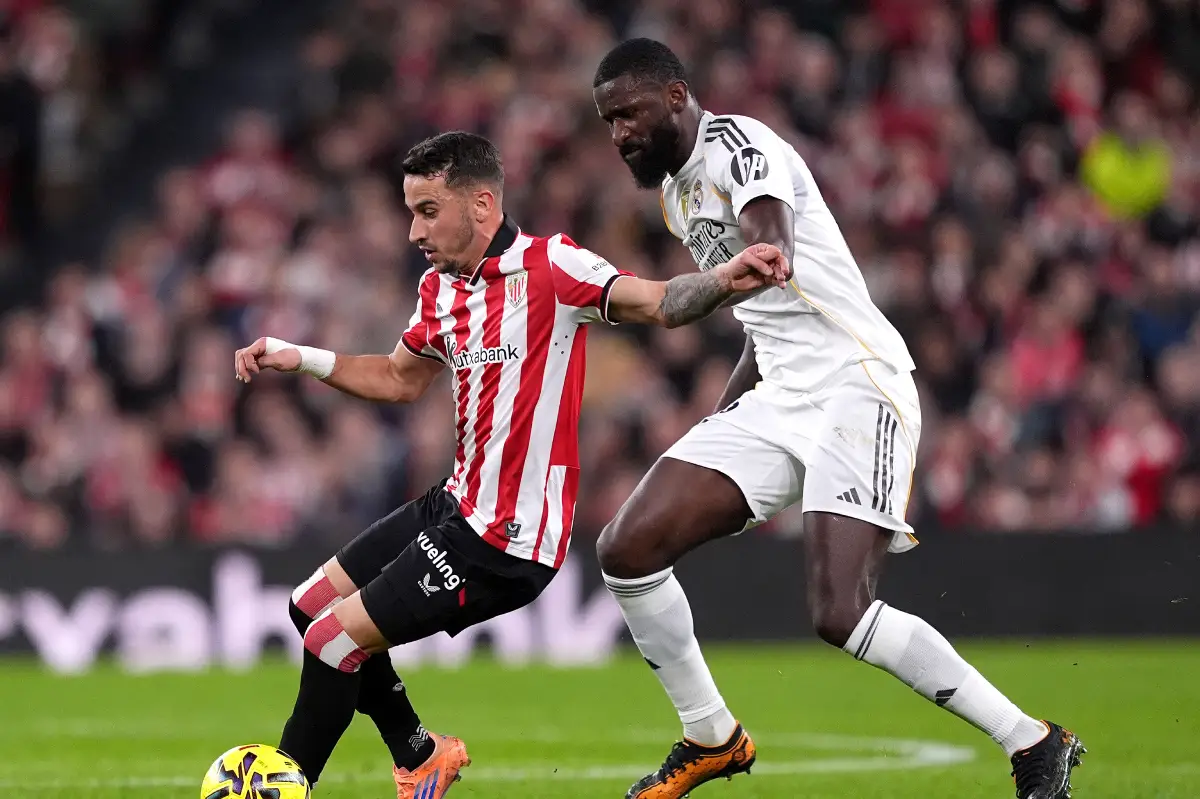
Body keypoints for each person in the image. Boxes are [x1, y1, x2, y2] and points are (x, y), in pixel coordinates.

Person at [591, 38, 1085, 799]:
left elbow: (773, 249)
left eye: (629, 112)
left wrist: (714, 282)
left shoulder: (740, 145)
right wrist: (720, 429)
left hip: (859, 383)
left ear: (677, 97)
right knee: (626, 548)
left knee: (840, 612)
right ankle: (710, 736)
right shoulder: (674, 195)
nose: (619, 132)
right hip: (780, 395)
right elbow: (763, 319)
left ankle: (1035, 741)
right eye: (607, 121)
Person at [232, 131, 789, 799]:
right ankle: (419, 753)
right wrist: (301, 356)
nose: (413, 230)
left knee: (331, 641)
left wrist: (727, 279)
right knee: (308, 608)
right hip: (457, 504)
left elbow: (657, 302)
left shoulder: (553, 268)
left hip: (505, 539)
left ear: (482, 203)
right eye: (410, 211)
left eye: (428, 210)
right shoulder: (440, 289)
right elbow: (397, 378)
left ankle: (285, 788)